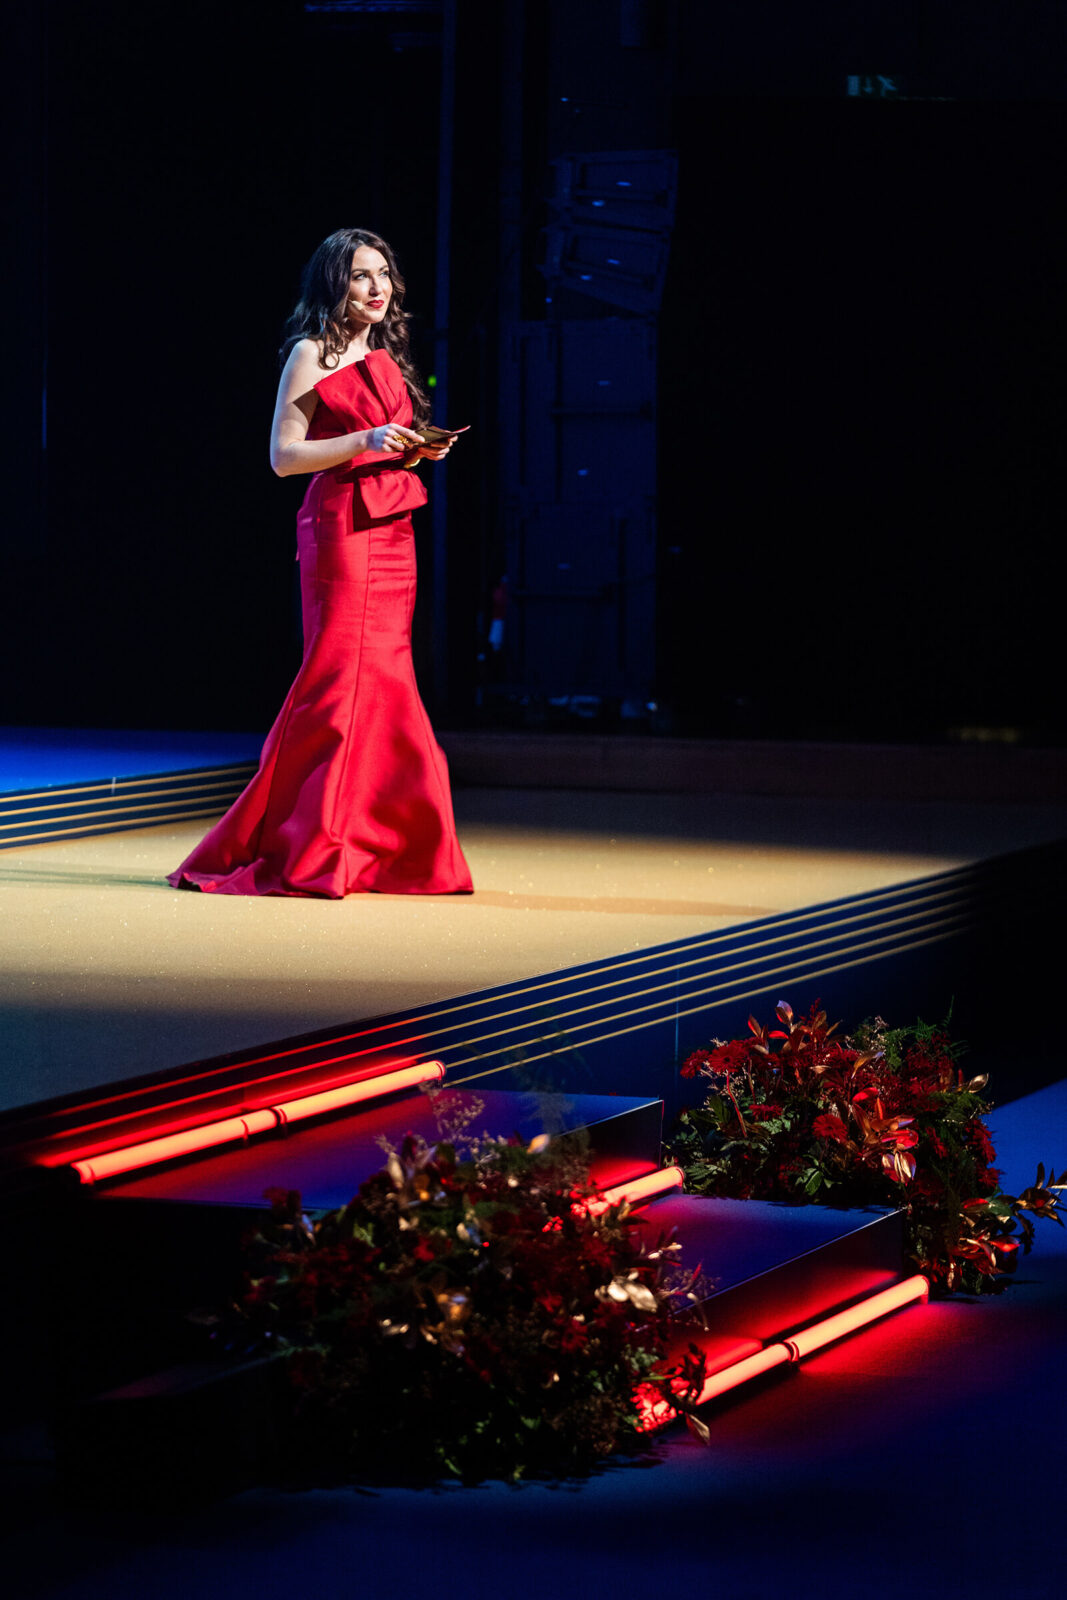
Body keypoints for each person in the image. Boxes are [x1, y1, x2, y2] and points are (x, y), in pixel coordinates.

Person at [168, 228, 473, 898]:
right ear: (333, 283)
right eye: (360, 275)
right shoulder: (311, 353)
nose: (376, 288)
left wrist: (416, 448)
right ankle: (305, 841)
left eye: (384, 274)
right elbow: (283, 458)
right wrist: (363, 439)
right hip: (341, 530)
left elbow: (379, 444)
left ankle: (374, 845)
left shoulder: (387, 356)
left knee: (387, 682)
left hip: (393, 529)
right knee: (336, 681)